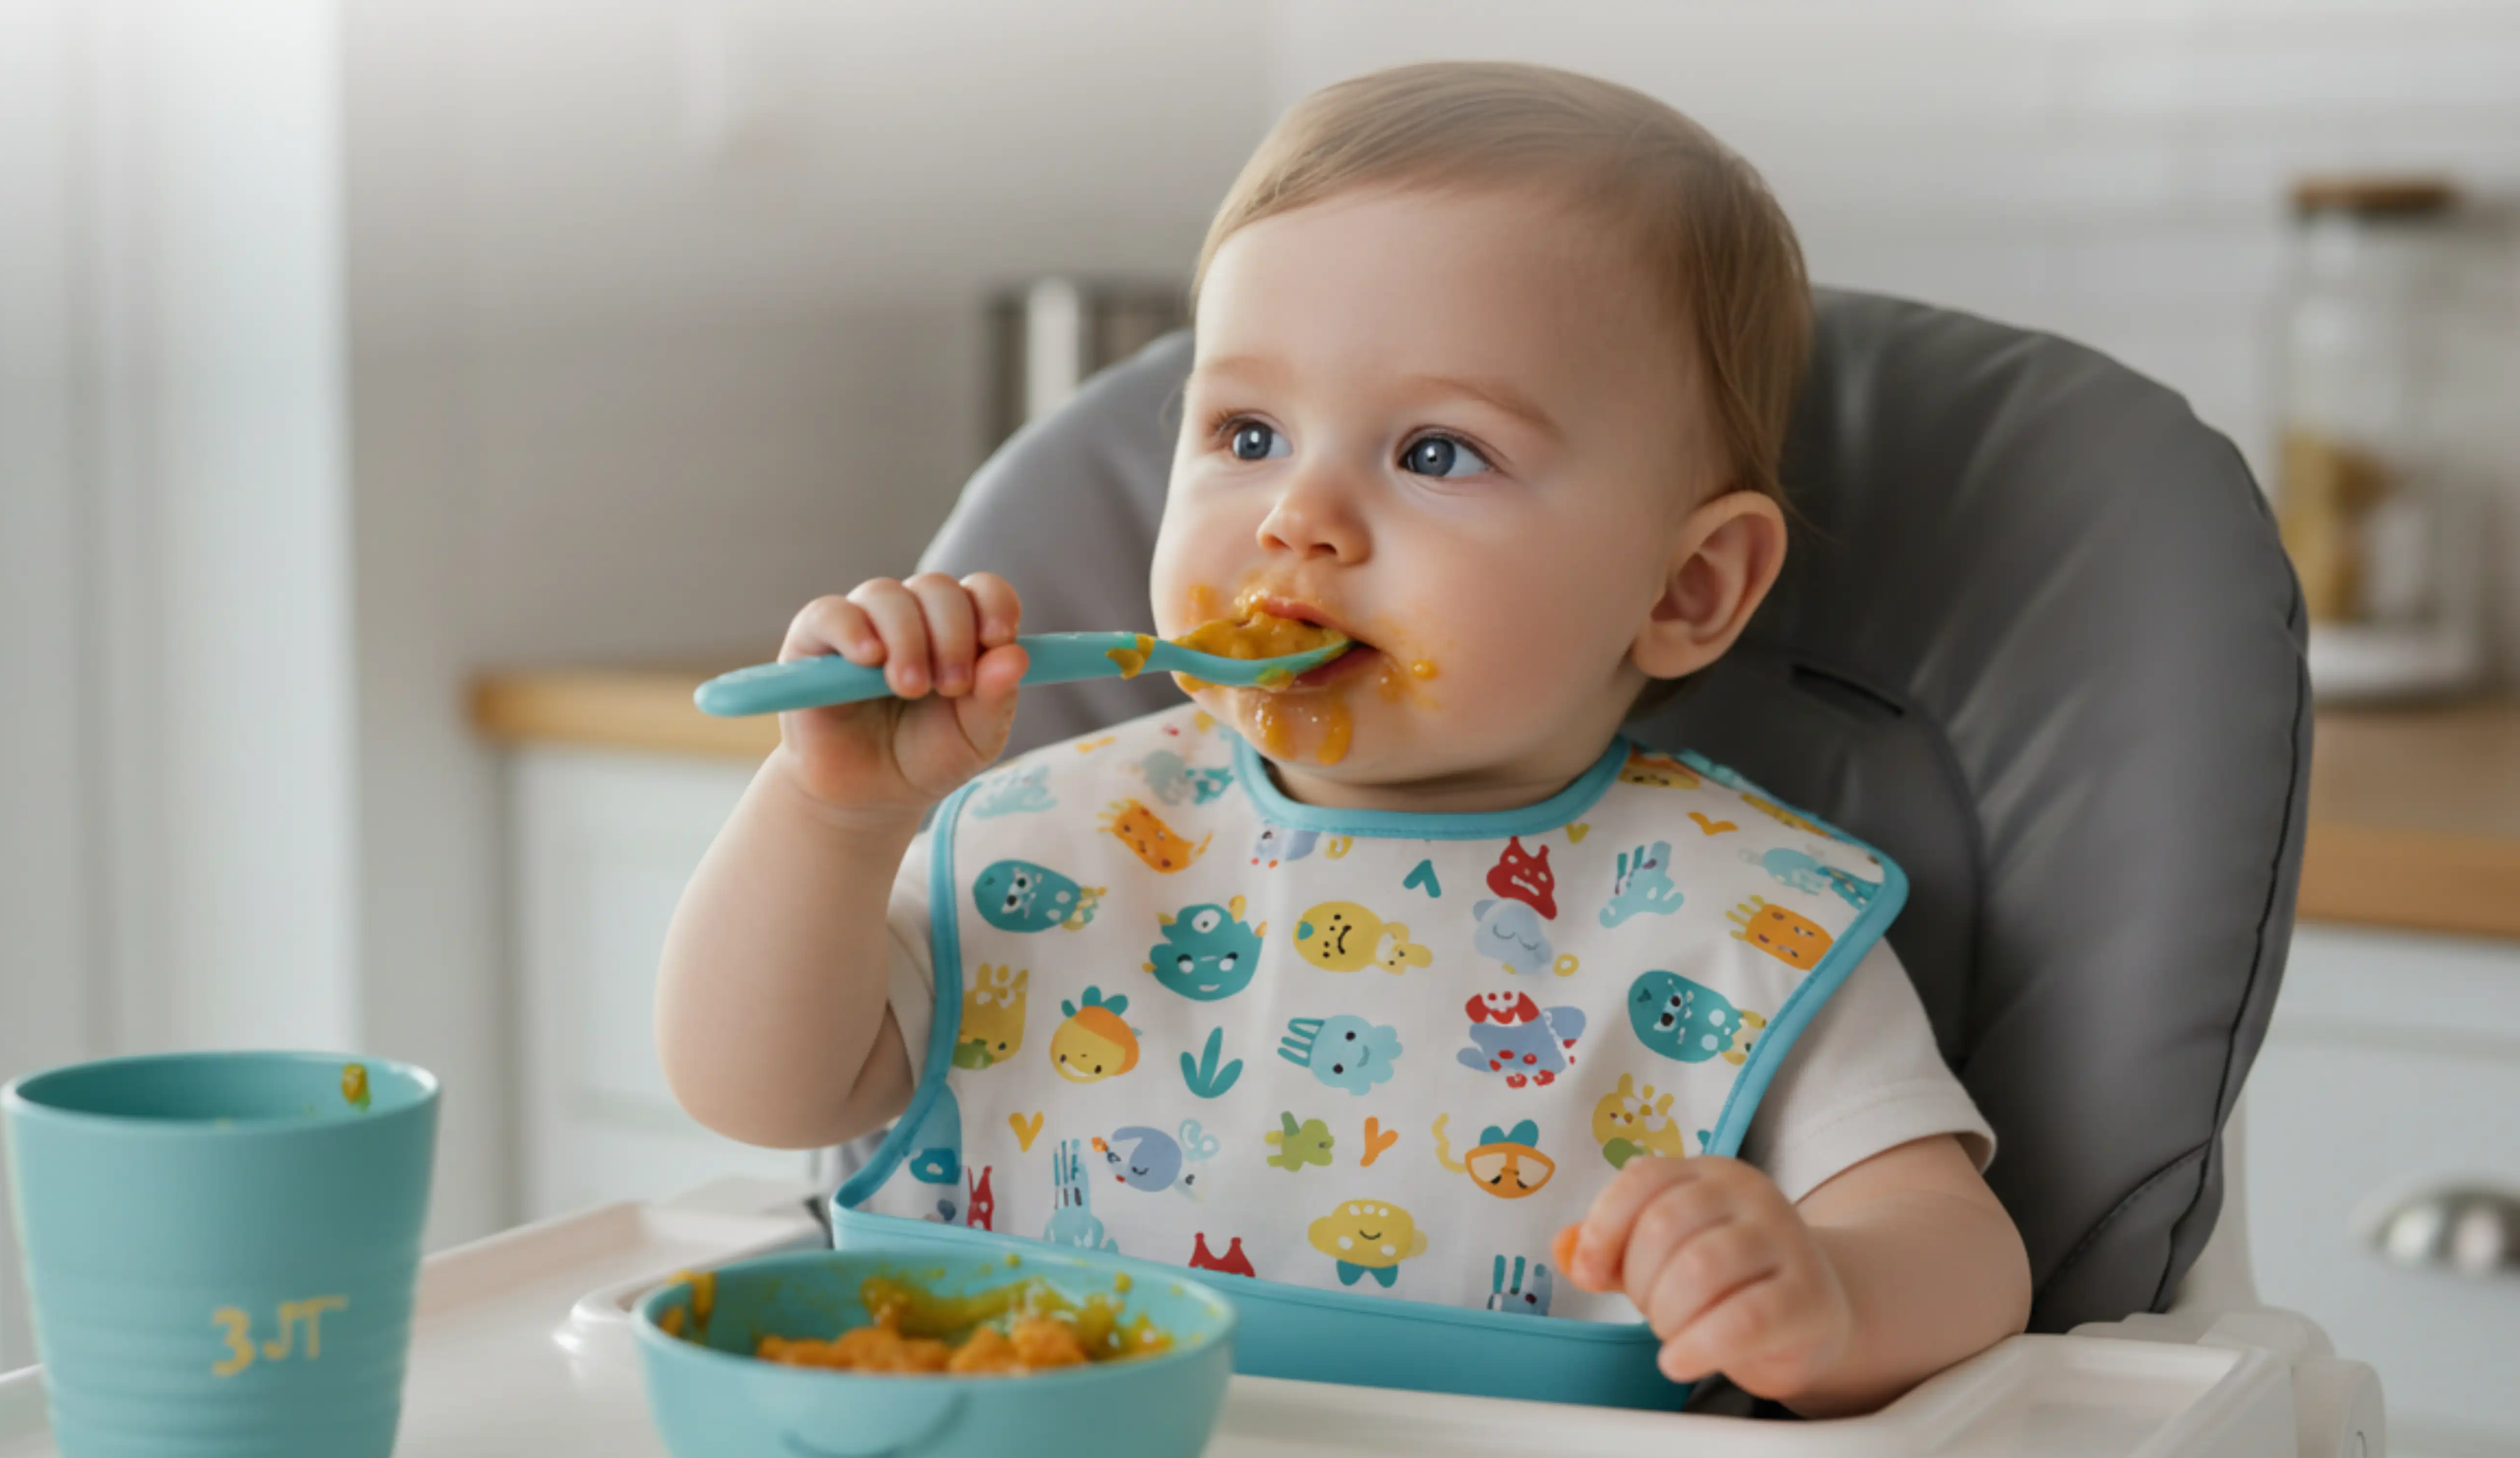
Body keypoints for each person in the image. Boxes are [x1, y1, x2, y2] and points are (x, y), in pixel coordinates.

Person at [655, 60, 2027, 1417]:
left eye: (1437, 452)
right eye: (1247, 431)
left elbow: (1960, 1252)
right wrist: (830, 816)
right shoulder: (1051, 844)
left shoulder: (1739, 923)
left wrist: (1827, 1293)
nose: (1296, 517)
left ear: (1687, 589)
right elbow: (756, 1087)